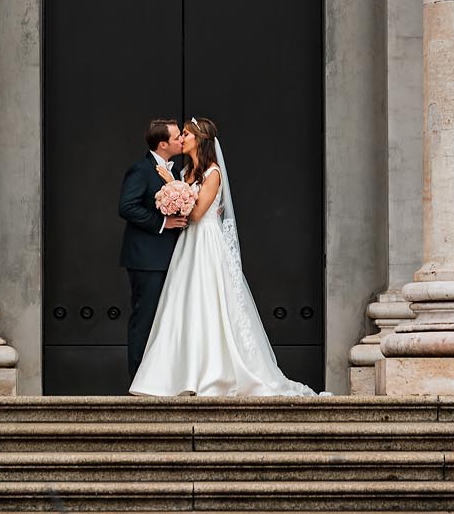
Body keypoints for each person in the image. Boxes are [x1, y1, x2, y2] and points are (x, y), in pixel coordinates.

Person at [130, 115, 316, 398]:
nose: (183, 139)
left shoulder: (212, 173)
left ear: (200, 141)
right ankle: (177, 375)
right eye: (181, 135)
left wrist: (171, 186)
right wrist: (176, 186)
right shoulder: (185, 173)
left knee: (210, 302)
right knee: (184, 304)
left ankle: (214, 374)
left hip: (206, 241)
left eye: (188, 135)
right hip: (188, 245)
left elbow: (196, 213)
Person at [118, 117, 187, 381]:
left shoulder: (176, 171)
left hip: (170, 258)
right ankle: (138, 380)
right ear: (162, 144)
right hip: (146, 259)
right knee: (144, 320)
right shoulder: (141, 170)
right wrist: (163, 222)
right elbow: (127, 207)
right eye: (177, 136)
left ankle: (159, 379)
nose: (181, 139)